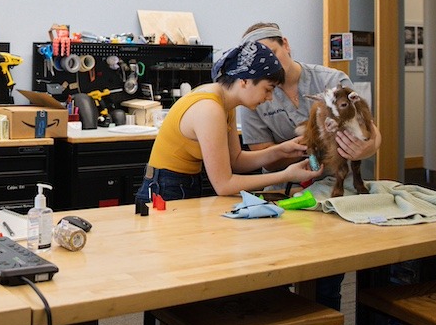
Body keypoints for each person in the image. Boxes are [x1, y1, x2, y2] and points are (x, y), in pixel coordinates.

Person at [236, 21, 381, 325]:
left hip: (339, 192)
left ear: (286, 44)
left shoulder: (332, 81)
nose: (268, 64)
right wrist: (301, 153)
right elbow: (261, 151)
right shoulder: (255, 97)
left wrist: (361, 150)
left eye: (272, 52)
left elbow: (374, 136)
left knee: (326, 284)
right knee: (277, 281)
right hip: (291, 194)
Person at [135, 40, 322, 204]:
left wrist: (280, 150)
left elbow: (236, 160)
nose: (270, 98)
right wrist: (286, 175)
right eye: (268, 89)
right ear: (244, 81)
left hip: (181, 184)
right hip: (165, 188)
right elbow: (224, 185)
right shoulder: (210, 109)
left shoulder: (224, 102)